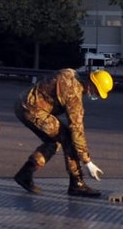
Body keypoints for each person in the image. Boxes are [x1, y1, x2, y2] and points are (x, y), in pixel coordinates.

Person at [13, 68, 111, 198]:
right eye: (95, 91)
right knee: (68, 137)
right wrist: (87, 162)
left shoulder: (70, 73)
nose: (94, 95)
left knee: (53, 142)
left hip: (23, 103)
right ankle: (77, 183)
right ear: (91, 84)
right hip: (32, 109)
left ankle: (25, 173)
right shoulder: (73, 95)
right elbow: (76, 129)